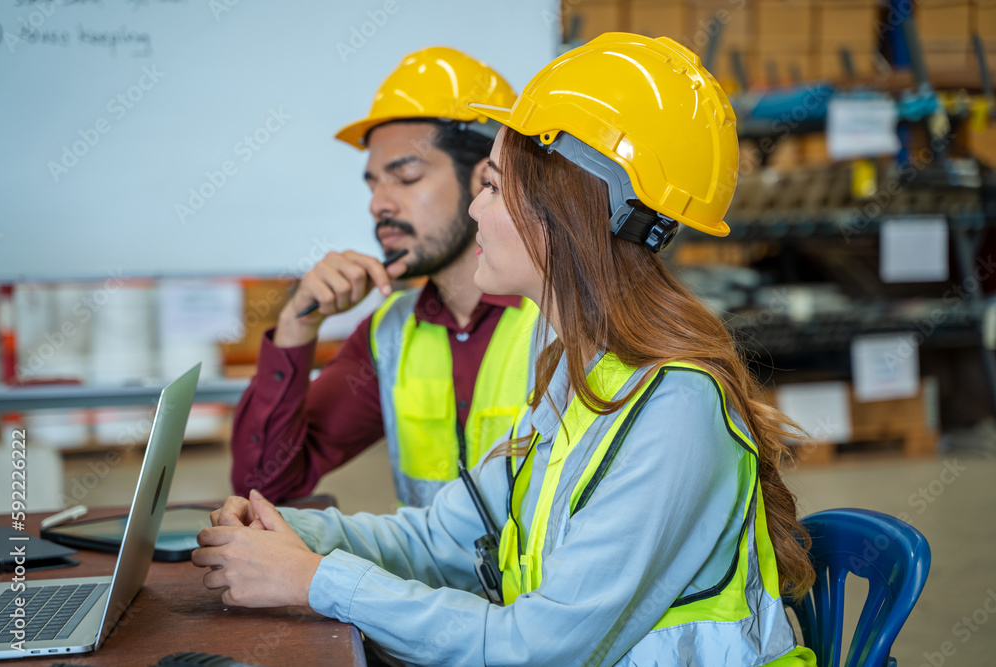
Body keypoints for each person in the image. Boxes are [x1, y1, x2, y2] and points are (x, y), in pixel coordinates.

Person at [196, 34, 818, 665]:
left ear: (562, 207)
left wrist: (315, 581)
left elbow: (537, 648)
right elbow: (444, 535)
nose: (474, 207)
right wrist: (290, 534)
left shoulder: (676, 408)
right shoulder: (575, 377)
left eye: (492, 186)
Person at [230, 47, 542, 508]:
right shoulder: (390, 334)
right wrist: (297, 326)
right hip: (425, 584)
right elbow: (264, 486)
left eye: (406, 176)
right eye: (374, 183)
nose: (379, 204)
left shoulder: (562, 316)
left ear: (485, 180)